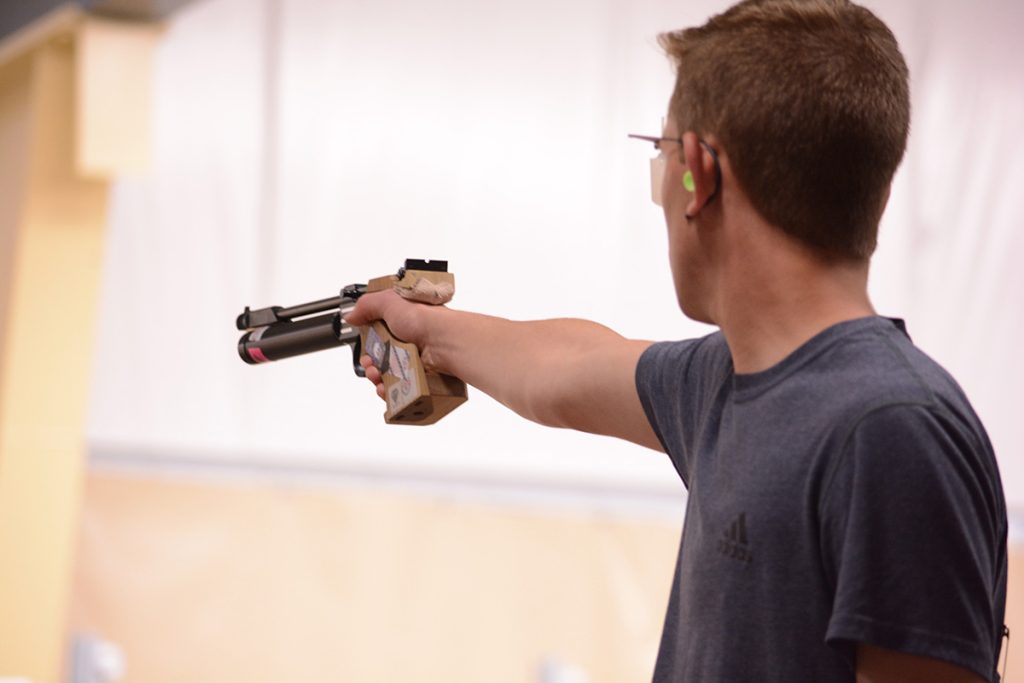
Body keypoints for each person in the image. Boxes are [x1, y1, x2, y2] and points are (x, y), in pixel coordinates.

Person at [344, 0, 1008, 680]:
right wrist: (425, 328)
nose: (657, 186)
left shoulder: (890, 432)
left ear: (699, 171)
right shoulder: (731, 380)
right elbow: (568, 367)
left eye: (661, 152)